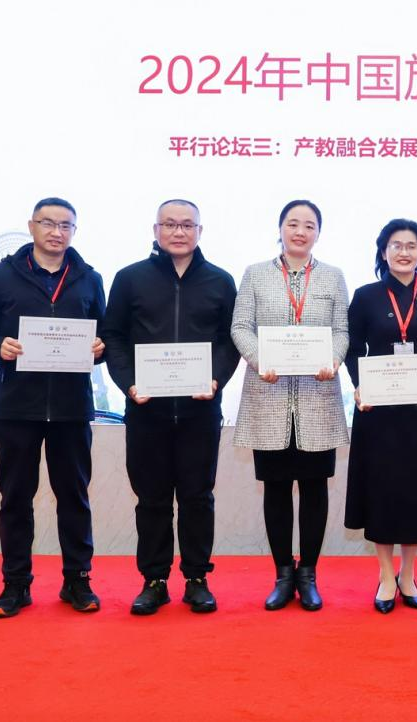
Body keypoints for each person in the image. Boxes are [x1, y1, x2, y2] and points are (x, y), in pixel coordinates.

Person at [0, 197, 106, 618]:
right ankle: (15, 584)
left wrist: (100, 348)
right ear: (31, 226)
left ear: (74, 232)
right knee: (15, 498)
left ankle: (77, 580)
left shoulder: (89, 278)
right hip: (16, 407)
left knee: (74, 497)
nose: (56, 232)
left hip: (71, 408)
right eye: (48, 223)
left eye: (66, 226)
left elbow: (105, 333)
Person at [100, 199, 239, 616]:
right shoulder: (129, 279)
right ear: (156, 229)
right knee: (152, 499)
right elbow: (114, 336)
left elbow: (229, 340)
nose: (179, 232)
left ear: (200, 231)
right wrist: (128, 384)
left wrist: (216, 379)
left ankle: (197, 579)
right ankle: (154, 580)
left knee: (198, 497)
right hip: (147, 410)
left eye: (187, 225)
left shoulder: (220, 281)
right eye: (170, 224)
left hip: (200, 411)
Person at [231, 199, 350, 611]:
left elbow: (342, 330)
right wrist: (259, 360)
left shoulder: (333, 276)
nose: (300, 231)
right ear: (280, 228)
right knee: (276, 488)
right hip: (269, 396)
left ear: (318, 233)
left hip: (318, 397)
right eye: (293, 223)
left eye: (309, 225)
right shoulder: (255, 274)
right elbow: (240, 327)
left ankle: (309, 575)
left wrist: (333, 360)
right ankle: (283, 574)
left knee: (315, 488)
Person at [345, 219, 417, 613]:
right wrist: (361, 384)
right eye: (396, 245)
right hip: (377, 411)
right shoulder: (366, 296)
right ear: (384, 251)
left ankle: (408, 574)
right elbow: (352, 348)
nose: (404, 252)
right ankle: (384, 575)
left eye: (411, 246)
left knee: (416, 489)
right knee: (381, 489)